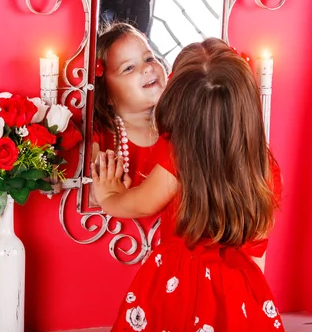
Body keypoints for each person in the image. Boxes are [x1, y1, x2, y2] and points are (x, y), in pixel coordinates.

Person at [92, 37, 284, 331]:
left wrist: (109, 195)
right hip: (239, 289)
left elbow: (142, 203)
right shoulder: (265, 168)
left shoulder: (178, 158)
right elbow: (257, 250)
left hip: (178, 286)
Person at [91, 22, 168, 196]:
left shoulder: (179, 131)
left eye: (149, 58)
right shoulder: (100, 137)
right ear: (107, 94)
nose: (148, 67)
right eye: (129, 68)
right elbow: (90, 193)